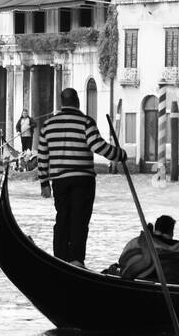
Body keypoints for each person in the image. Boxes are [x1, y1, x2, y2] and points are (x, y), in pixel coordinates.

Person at [37, 87, 127, 267]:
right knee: (79, 219)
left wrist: (44, 184)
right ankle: (76, 260)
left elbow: (42, 156)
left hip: (59, 181)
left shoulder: (48, 125)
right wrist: (120, 154)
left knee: (62, 218)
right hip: (82, 180)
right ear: (77, 101)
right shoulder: (85, 122)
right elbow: (98, 146)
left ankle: (60, 257)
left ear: (61, 102)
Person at [105, 214, 177, 280]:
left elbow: (121, 260)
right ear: (171, 231)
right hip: (142, 275)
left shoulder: (134, 241)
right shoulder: (171, 246)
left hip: (125, 271)